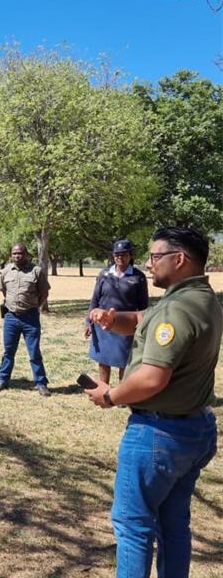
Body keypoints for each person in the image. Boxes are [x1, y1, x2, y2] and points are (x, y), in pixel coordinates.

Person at [85, 227, 220, 578]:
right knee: (173, 524)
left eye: (156, 256)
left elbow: (152, 378)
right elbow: (142, 320)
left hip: (159, 433)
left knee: (133, 525)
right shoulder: (201, 298)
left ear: (180, 259)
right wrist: (114, 319)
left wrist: (109, 396)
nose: (148, 263)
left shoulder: (177, 308)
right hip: (194, 428)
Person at [84, 238, 149, 384]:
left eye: (124, 254)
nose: (120, 257)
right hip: (102, 325)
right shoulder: (104, 274)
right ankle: (103, 389)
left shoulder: (138, 277)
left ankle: (122, 390)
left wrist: (143, 328)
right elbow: (95, 300)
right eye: (117, 254)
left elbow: (143, 306)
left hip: (125, 326)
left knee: (124, 361)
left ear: (130, 256)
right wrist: (89, 322)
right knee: (103, 360)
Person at [0, 243, 51, 396]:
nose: (17, 256)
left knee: (34, 352)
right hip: (11, 317)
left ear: (26, 254)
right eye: (14, 253)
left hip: (30, 318)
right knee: (8, 351)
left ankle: (41, 383)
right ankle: (3, 380)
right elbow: (5, 292)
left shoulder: (36, 271)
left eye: (20, 253)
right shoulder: (6, 271)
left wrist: (35, 306)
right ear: (11, 255)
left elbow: (44, 293)